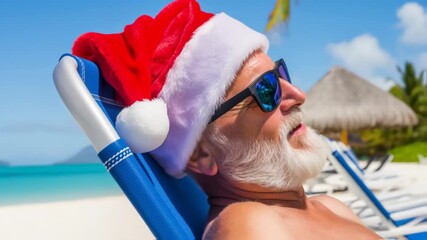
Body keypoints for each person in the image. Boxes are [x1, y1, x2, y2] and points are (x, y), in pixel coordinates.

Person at [72, 0, 381, 239]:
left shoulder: (329, 206)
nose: (298, 95)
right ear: (199, 154)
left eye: (281, 75)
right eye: (265, 89)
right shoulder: (249, 222)